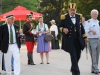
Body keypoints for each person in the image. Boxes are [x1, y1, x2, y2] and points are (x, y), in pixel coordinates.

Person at [58, 3, 88, 75]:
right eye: (71, 10)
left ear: (75, 10)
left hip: (78, 40)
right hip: (69, 41)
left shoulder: (78, 17)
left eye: (74, 10)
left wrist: (85, 37)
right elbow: (59, 26)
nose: (72, 12)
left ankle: (73, 68)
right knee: (73, 56)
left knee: (78, 55)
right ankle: (77, 72)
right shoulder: (64, 17)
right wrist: (63, 29)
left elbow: (81, 28)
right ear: (68, 10)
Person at [85, 9, 100, 74]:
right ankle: (96, 68)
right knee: (93, 54)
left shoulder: (98, 22)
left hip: (98, 40)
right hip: (91, 40)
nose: (94, 15)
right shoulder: (89, 22)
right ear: (91, 15)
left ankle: (93, 69)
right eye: (93, 14)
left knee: (97, 55)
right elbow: (85, 30)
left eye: (96, 14)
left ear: (97, 15)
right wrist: (91, 31)